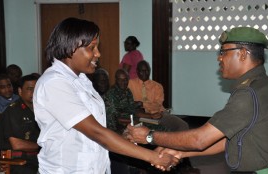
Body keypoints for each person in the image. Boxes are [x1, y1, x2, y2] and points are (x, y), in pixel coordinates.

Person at [127, 27, 268, 173]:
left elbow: (200, 139)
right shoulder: (261, 83)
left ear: (242, 54)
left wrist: (149, 136)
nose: (219, 58)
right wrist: (179, 152)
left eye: (223, 52)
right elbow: (229, 140)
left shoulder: (248, 94)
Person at [33, 17, 177, 173]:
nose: (98, 54)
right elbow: (96, 132)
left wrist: (123, 137)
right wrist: (153, 157)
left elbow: (94, 131)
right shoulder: (54, 83)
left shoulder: (82, 80)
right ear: (70, 48)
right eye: (92, 48)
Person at [128, 60, 189, 132]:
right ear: (137, 71)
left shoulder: (157, 86)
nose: (145, 73)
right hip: (141, 115)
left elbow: (157, 105)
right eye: (142, 71)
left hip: (159, 114)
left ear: (150, 70)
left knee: (183, 125)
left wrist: (142, 103)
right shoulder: (130, 84)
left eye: (147, 70)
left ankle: (176, 142)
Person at [0, 74, 40, 174]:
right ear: (20, 91)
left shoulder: (41, 109)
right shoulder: (13, 111)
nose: (34, 92)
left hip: (40, 158)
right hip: (20, 161)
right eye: (30, 89)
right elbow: (17, 144)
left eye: (37, 88)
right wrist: (43, 145)